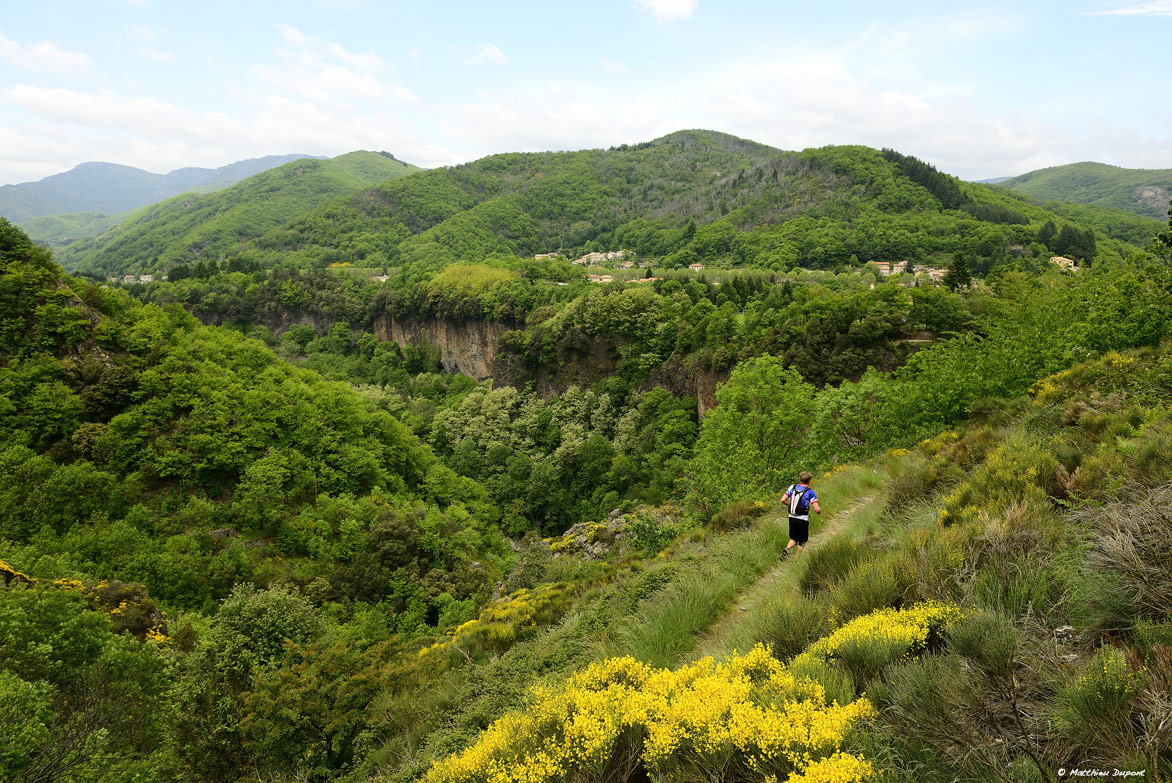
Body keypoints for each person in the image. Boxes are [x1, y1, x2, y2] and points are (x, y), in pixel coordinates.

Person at [780, 471, 820, 561]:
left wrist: (789, 504)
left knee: (793, 537)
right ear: (809, 481)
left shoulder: (792, 487)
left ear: (800, 479)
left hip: (791, 517)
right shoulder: (810, 492)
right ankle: (796, 560)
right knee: (802, 541)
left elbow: (782, 500)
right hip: (802, 519)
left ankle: (787, 549)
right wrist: (819, 511)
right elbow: (816, 509)